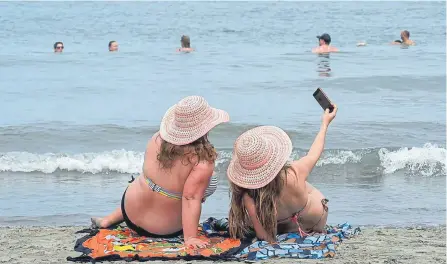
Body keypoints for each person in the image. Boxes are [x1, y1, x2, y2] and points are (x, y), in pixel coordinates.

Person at [91, 96, 230, 249]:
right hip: (163, 229)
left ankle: (107, 221)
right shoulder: (203, 161)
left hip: (129, 211)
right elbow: (191, 197)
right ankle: (183, 227)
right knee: (207, 182)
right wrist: (190, 237)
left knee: (150, 183)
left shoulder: (156, 138)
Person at [227, 105, 338, 243]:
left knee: (263, 201)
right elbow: (315, 152)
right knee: (303, 184)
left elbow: (264, 237)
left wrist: (272, 242)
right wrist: (325, 123)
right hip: (314, 222)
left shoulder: (247, 196)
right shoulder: (295, 171)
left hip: (278, 228)